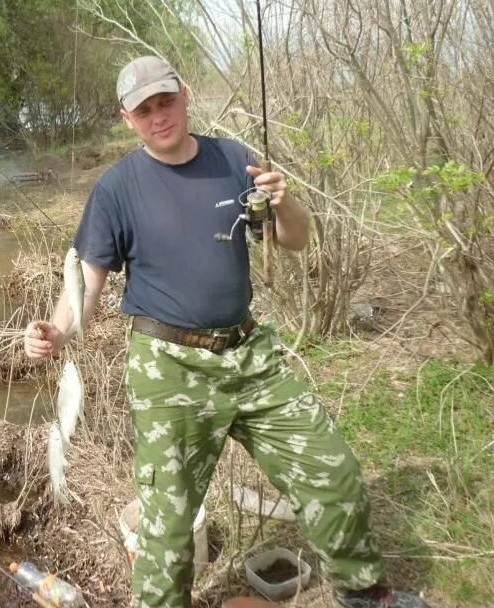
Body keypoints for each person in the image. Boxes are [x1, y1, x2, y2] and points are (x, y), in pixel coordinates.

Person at [22, 56, 429, 608]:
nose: (159, 116)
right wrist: (57, 331)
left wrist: (285, 202)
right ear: (127, 119)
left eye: (166, 101)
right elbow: (86, 283)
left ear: (185, 95)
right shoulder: (117, 188)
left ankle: (363, 592)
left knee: (333, 471)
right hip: (167, 367)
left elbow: (295, 239)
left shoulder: (234, 159)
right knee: (167, 526)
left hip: (249, 355)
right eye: (145, 110)